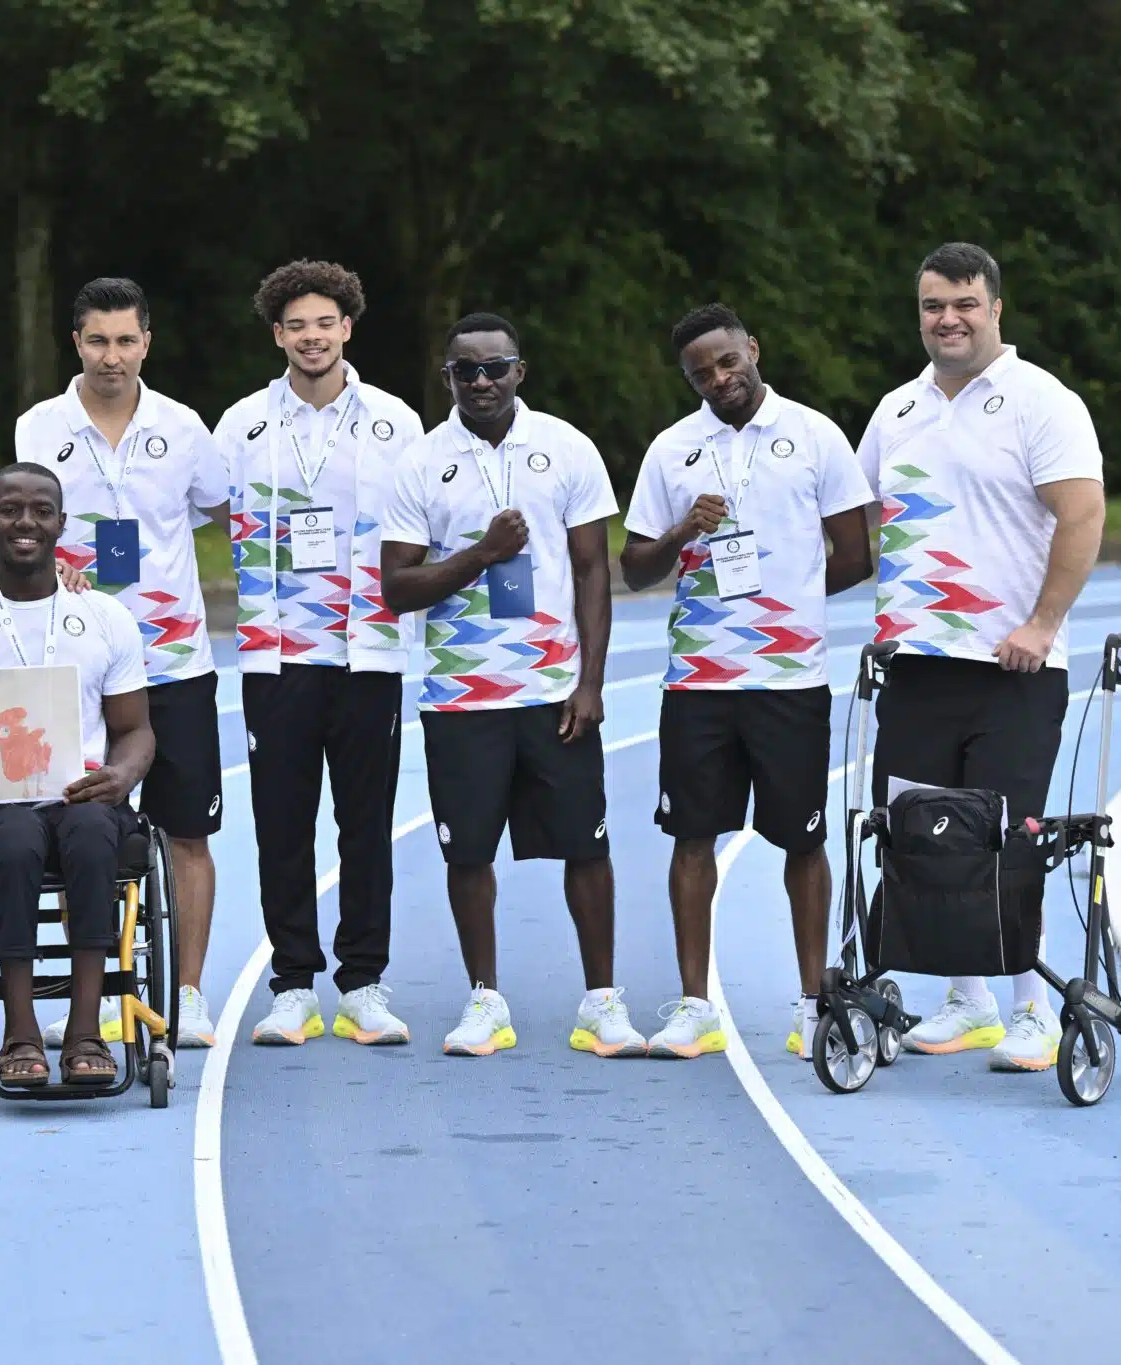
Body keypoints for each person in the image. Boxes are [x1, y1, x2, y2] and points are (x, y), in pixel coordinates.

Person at [858, 242, 1106, 1072]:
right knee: (923, 837)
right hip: (919, 664)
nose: (948, 319)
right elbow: (871, 520)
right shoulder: (896, 410)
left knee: (1009, 837)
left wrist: (1042, 622)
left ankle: (1034, 1007)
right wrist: (892, 611)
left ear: (996, 307)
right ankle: (969, 1001)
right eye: (933, 305)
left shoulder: (1044, 402)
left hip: (1015, 670)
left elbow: (1081, 514)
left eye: (964, 303)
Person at [620, 304, 875, 1059]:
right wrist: (679, 532)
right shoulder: (673, 449)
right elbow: (635, 569)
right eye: (701, 372)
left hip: (790, 678)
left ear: (753, 349)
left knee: (804, 838)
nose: (719, 379)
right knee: (692, 836)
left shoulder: (816, 434)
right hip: (698, 682)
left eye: (728, 361)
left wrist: (788, 604)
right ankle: (695, 1005)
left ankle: (809, 1003)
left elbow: (856, 553)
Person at [380, 312, 638, 1056]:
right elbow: (398, 588)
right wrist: (481, 554)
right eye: (468, 371)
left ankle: (601, 1000)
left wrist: (589, 682)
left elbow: (594, 569)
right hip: (462, 700)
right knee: (468, 854)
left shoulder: (567, 447)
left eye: (496, 368)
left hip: (552, 691)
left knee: (588, 847)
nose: (483, 381)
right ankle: (485, 1000)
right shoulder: (421, 464)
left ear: (521, 370)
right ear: (448, 378)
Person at [12, 277, 228, 1049]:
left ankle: (191, 993)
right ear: (76, 342)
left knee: (187, 835)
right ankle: (92, 991)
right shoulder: (40, 427)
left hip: (173, 660)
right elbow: (26, 527)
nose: (112, 356)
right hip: (73, 662)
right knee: (81, 828)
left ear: (147, 342)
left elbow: (217, 510)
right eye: (97, 340)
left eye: (126, 340)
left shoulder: (184, 426)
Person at [212, 259, 422, 1046]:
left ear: (348, 328)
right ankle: (294, 982)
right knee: (282, 823)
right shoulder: (241, 425)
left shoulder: (397, 422)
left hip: (368, 652)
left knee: (365, 824)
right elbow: (184, 509)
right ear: (277, 334)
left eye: (324, 322)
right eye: (295, 324)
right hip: (276, 657)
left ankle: (364, 979)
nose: (311, 336)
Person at [0, 463, 155, 1088]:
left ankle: (84, 1031)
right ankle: (19, 1031)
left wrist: (122, 775)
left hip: (84, 794)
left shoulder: (106, 618)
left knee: (91, 832)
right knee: (17, 837)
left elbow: (135, 729)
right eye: (11, 509)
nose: (26, 522)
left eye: (41, 511)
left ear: (61, 525)